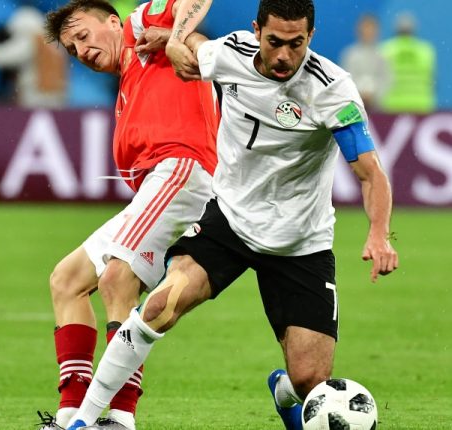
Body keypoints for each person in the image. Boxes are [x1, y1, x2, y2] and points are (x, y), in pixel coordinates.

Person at [64, 0, 399, 429]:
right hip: (230, 222)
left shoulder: (332, 90)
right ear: (256, 31)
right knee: (159, 307)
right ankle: (85, 420)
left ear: (310, 37)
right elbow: (195, 52)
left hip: (300, 242)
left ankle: (286, 392)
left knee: (310, 381)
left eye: (296, 44)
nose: (284, 55)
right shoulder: (232, 52)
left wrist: (379, 233)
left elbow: (370, 173)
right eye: (274, 42)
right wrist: (174, 40)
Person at [38, 0, 219, 429]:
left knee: (118, 277)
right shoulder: (128, 84)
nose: (81, 51)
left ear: (113, 22)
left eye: (84, 36)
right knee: (67, 280)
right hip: (157, 187)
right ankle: (69, 414)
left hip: (182, 169)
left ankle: (119, 417)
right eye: (72, 48)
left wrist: (175, 38)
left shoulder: (139, 30)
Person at [0, 5, 68, 109]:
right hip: (58, 98)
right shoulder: (54, 42)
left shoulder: (31, 41)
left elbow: (2, 58)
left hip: (35, 98)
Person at [379, 12, 436, 113]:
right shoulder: (426, 51)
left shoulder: (385, 50)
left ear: (396, 31)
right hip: (421, 104)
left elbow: (381, 80)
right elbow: (432, 81)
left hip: (393, 106)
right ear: (413, 31)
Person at [339, 14, 389, 111]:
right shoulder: (350, 54)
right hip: (354, 107)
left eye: (371, 29)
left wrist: (374, 95)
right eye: (366, 28)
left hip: (377, 108)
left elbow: (386, 79)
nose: (368, 32)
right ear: (359, 31)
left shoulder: (383, 55)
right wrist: (360, 94)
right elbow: (345, 79)